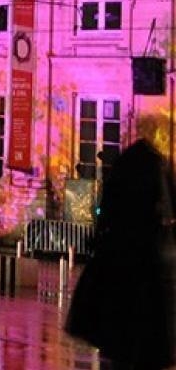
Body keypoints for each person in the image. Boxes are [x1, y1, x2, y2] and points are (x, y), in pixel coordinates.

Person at [68, 132, 176, 369]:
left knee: (117, 343)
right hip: (145, 276)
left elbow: (104, 216)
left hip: (118, 271)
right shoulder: (158, 175)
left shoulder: (124, 173)